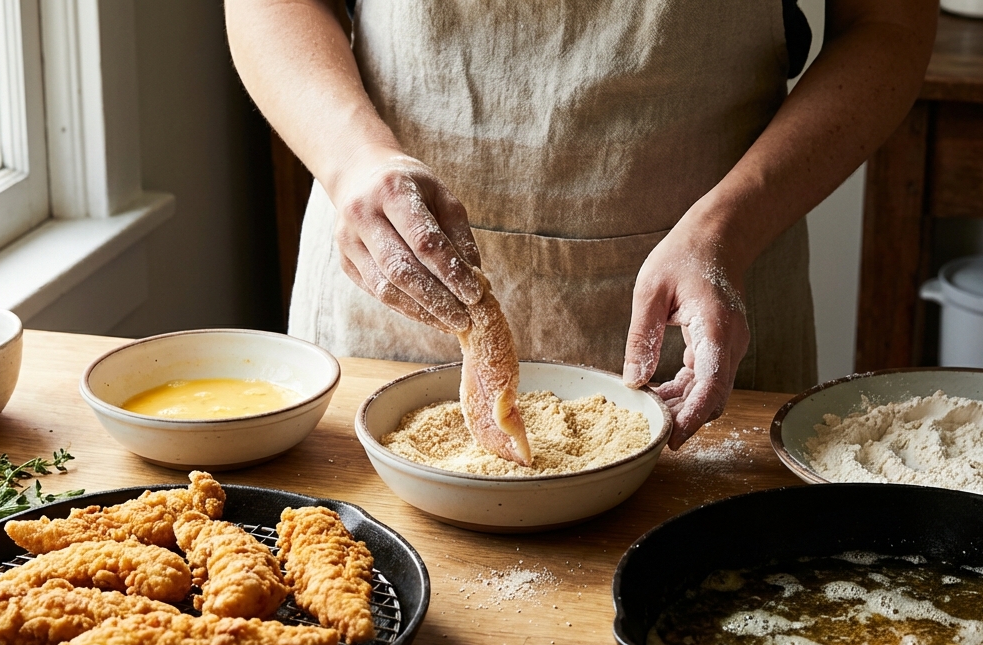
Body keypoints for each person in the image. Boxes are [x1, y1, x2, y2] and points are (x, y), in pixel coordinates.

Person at [227, 0, 937, 449]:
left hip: (713, 275)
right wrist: (350, 157)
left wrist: (729, 229)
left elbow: (888, 25)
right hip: (390, 267)